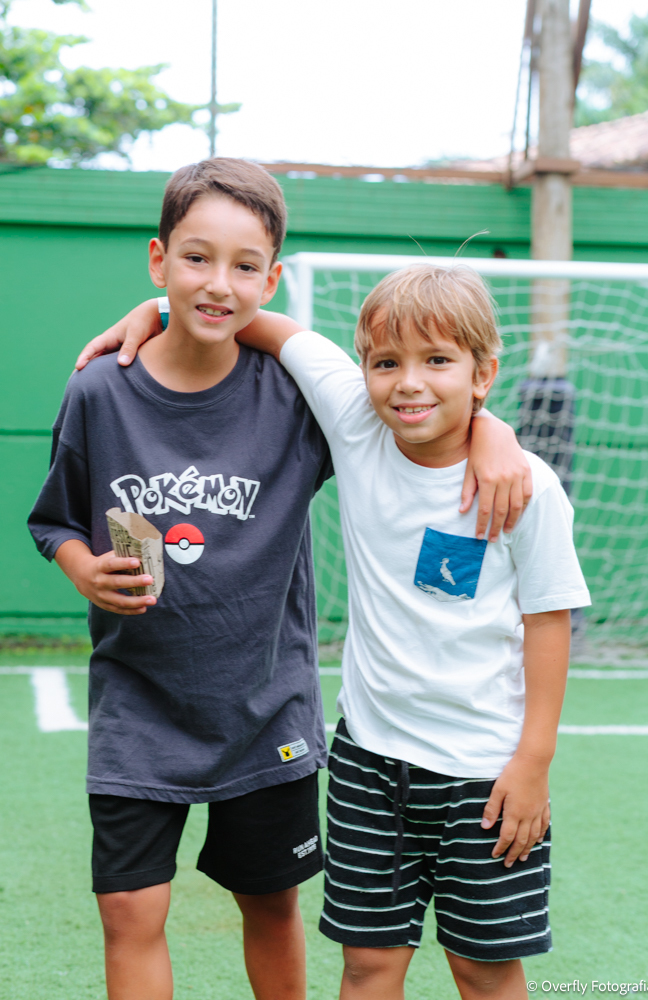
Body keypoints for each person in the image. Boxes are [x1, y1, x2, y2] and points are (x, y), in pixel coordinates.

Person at [29, 157, 533, 1000]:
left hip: (266, 712)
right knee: (127, 909)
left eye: (243, 265)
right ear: (159, 260)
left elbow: (419, 409)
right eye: (194, 259)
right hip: (137, 705)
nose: (216, 282)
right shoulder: (98, 393)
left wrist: (493, 431)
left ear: (272, 277)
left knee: (268, 905)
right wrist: (83, 566)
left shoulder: (297, 398)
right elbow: (54, 521)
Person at [225, 264, 591, 1000]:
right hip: (370, 763)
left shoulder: (526, 486)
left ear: (482, 374)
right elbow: (257, 321)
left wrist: (533, 763)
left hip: (486, 774)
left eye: (437, 360)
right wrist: (148, 314)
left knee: (484, 972)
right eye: (385, 362)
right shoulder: (355, 425)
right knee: (366, 966)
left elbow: (548, 621)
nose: (408, 382)